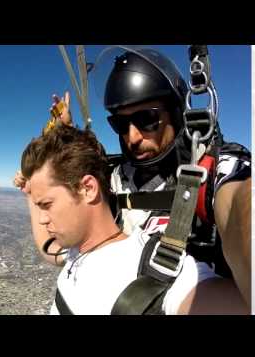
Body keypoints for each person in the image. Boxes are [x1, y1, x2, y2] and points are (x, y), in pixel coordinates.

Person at [15, 46, 251, 310]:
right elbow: (58, 248)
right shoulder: (117, 178)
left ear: (175, 112)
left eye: (147, 119)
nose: (133, 136)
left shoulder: (214, 170)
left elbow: (240, 203)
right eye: (120, 124)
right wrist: (64, 139)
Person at [17, 124, 247, 314]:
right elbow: (47, 250)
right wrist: (31, 196)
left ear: (88, 188)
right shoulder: (77, 251)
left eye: (46, 205)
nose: (43, 220)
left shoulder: (155, 270)